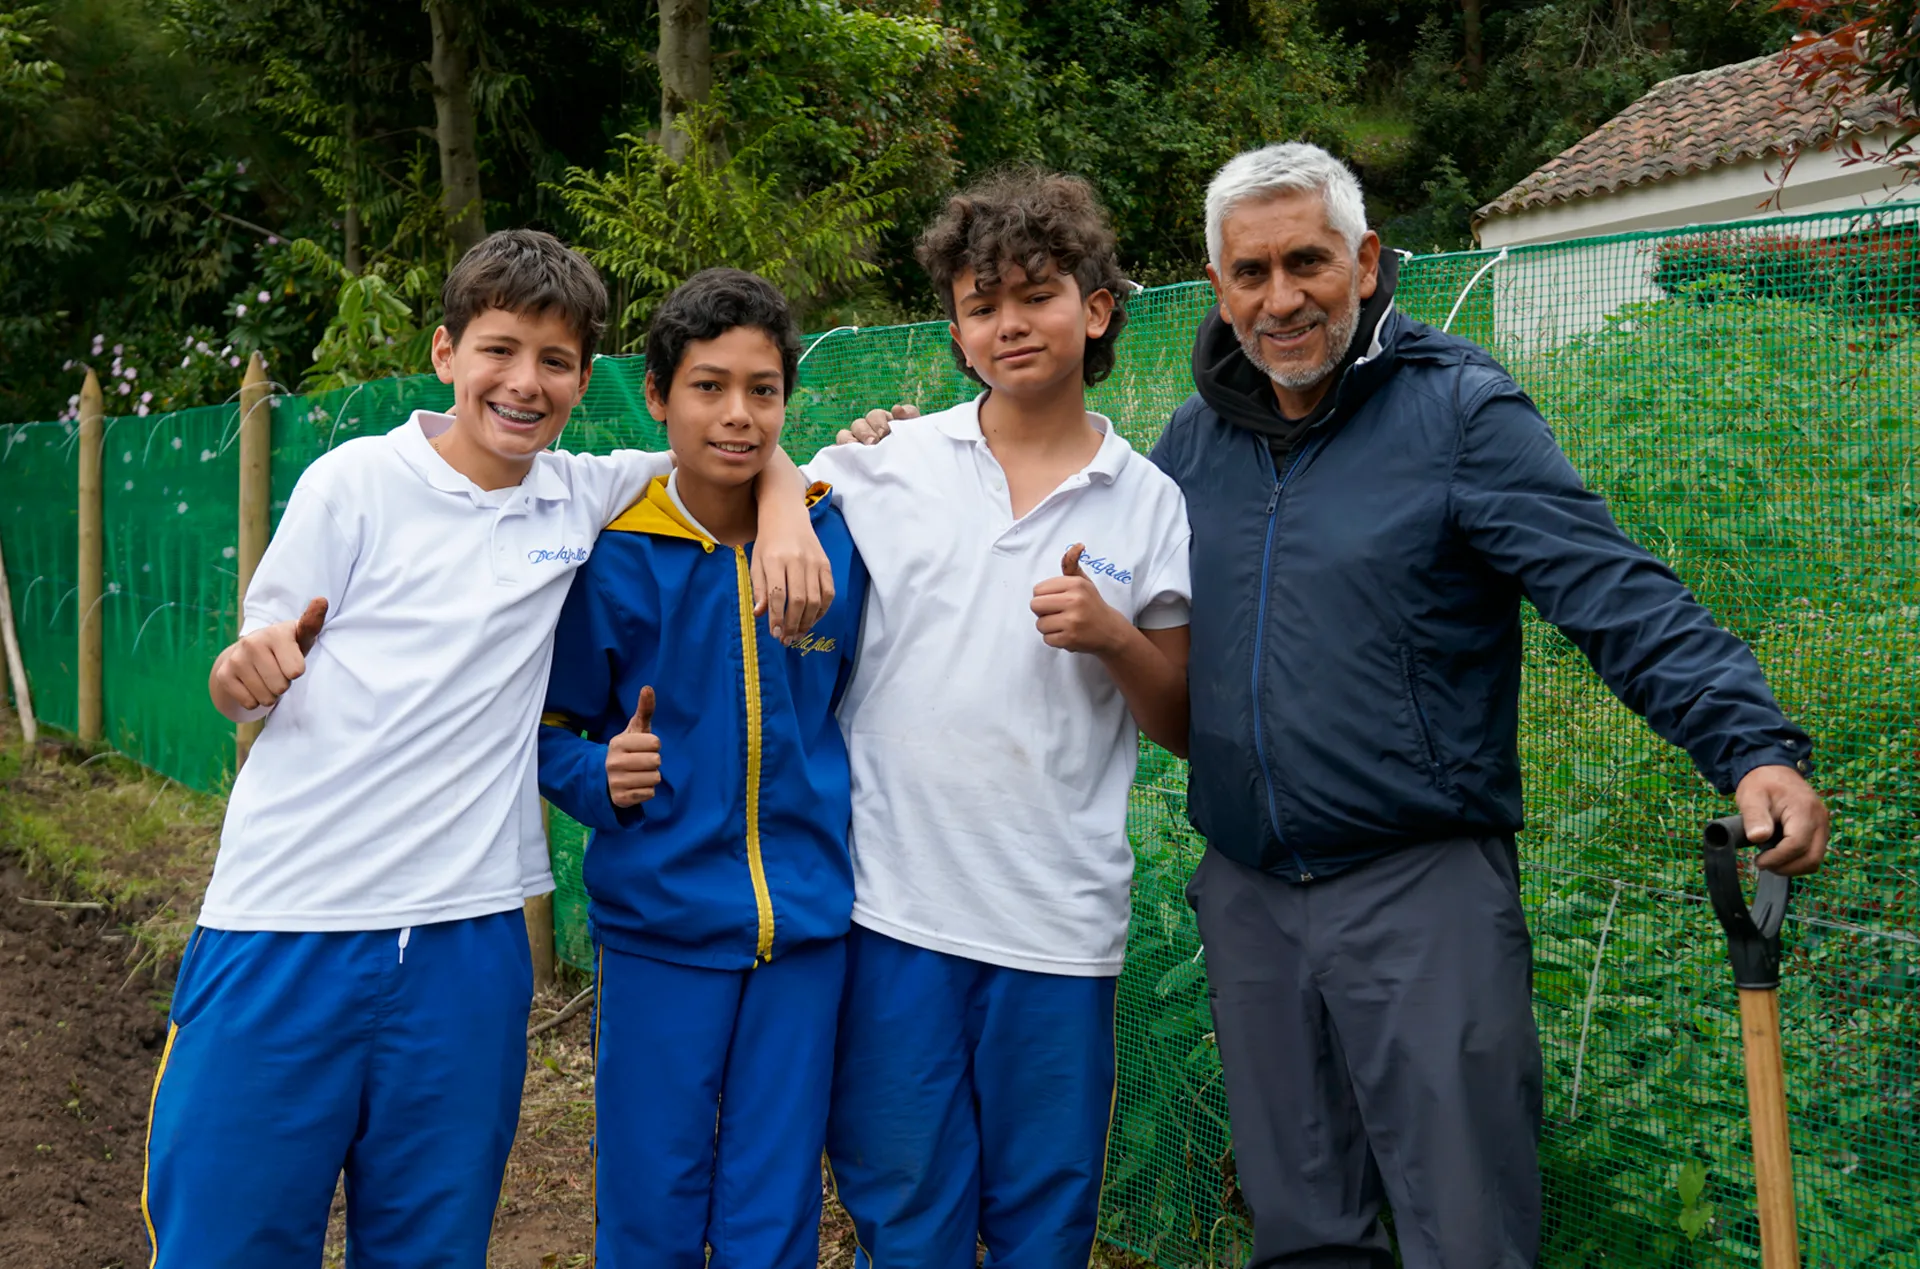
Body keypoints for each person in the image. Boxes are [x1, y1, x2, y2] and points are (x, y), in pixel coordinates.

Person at [849, 143, 1833, 1267]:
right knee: (1303, 1226)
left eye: (1307, 263)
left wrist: (1748, 743)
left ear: (1364, 263)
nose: (1282, 299)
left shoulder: (1456, 412)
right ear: (1217, 288)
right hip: (1252, 896)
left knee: (1463, 1225)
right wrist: (866, 448)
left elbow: (1610, 587)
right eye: (1251, 272)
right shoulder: (1190, 450)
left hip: (1421, 889)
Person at [150, 231, 834, 1268]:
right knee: (229, 1235)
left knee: (432, 1242)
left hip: (469, 941)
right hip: (290, 923)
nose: (524, 383)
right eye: (499, 351)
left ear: (589, 381)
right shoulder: (356, 483)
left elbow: (732, 439)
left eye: (555, 362)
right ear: (445, 353)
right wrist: (238, 674)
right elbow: (254, 652)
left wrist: (785, 509)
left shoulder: (580, 494)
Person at [801, 169, 1193, 1269]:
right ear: (959, 332)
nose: (1011, 322)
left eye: (1037, 294)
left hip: (1057, 926)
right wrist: (799, 493)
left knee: (1043, 1224)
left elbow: (1185, 723)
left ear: (1099, 307)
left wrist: (1115, 637)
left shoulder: (1148, 500)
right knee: (905, 1210)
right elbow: (769, 499)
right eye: (983, 305)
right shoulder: (887, 462)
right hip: (893, 912)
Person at [535, 268, 867, 1269]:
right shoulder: (616, 553)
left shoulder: (836, 538)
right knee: (654, 1197)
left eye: (762, 390)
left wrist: (795, 498)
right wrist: (601, 778)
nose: (738, 415)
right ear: (656, 396)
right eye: (709, 387)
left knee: (777, 1203)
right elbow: (544, 730)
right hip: (659, 931)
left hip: (806, 932)